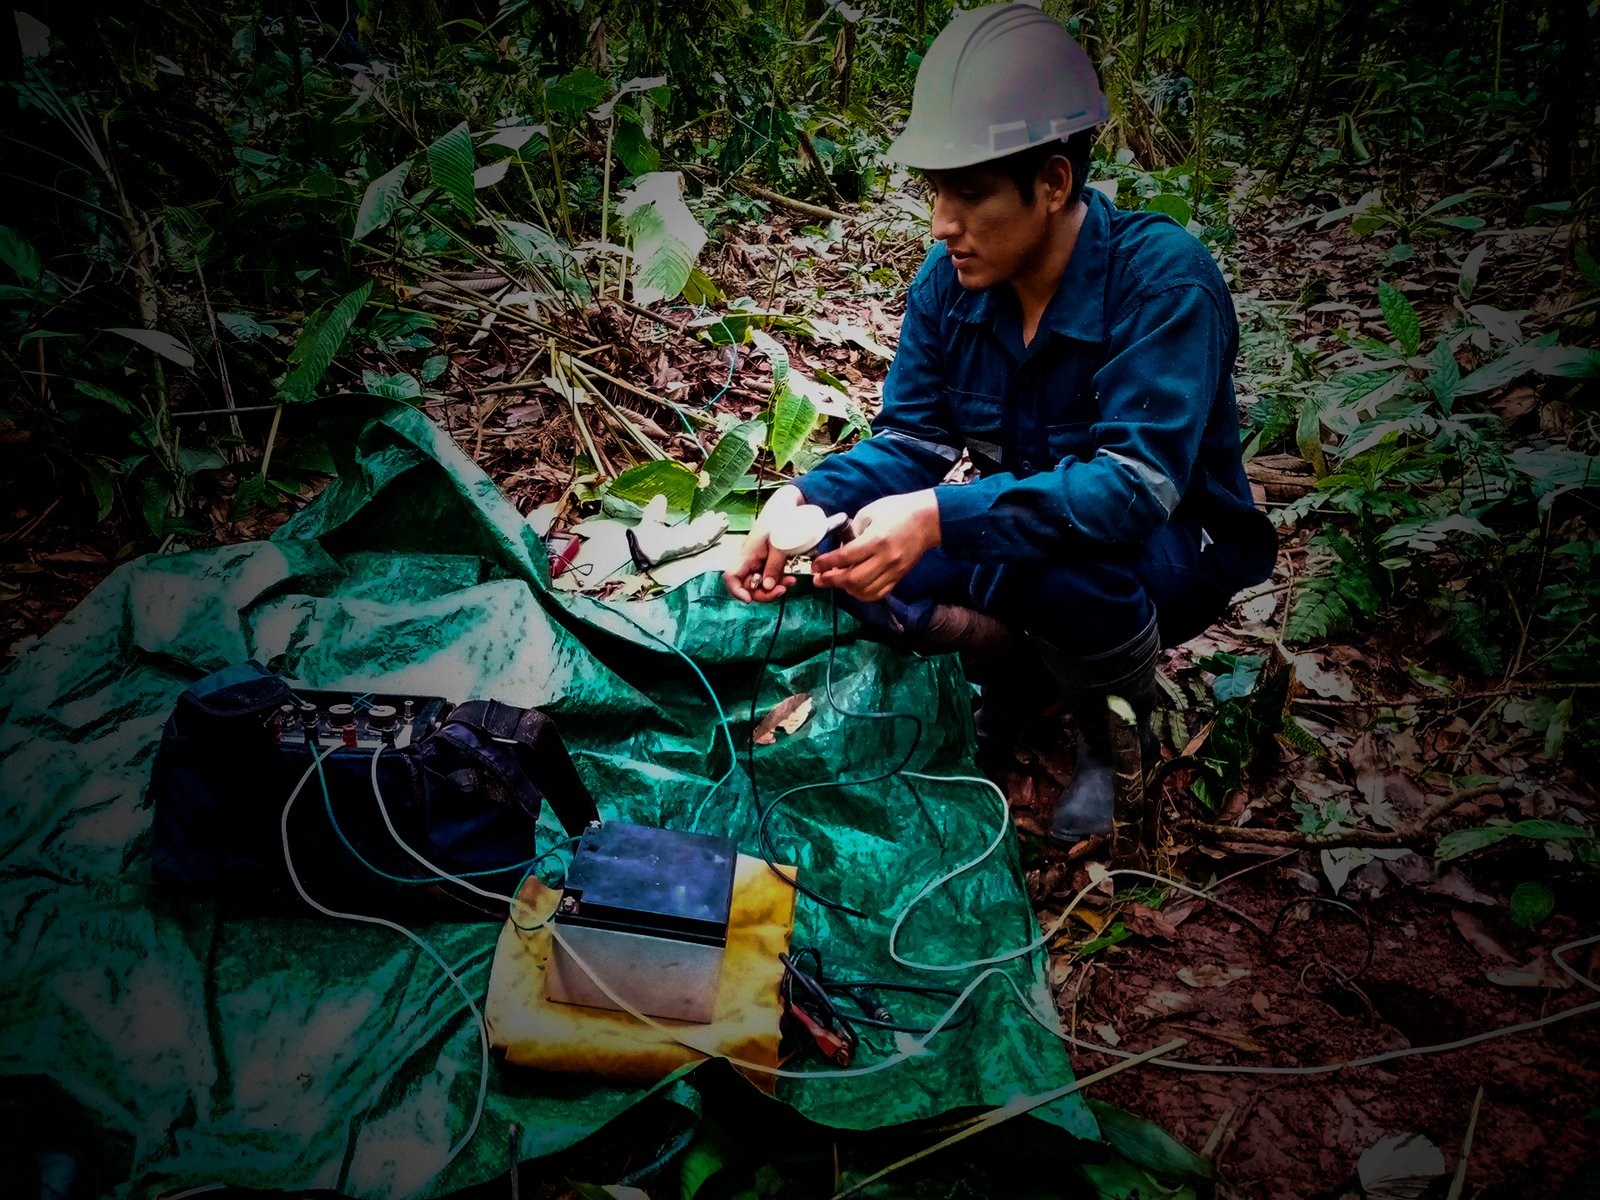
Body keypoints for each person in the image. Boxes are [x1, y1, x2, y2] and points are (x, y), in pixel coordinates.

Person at [723, 2, 1276, 849]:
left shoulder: (1165, 285)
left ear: (1054, 184)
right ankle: (1021, 678)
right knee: (846, 562)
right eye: (937, 192)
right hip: (1034, 523)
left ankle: (1112, 736)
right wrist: (798, 501)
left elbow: (1132, 490)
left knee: (1065, 573)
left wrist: (942, 517)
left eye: (970, 194)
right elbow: (912, 441)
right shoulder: (949, 284)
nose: (943, 223)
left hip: (1174, 543)